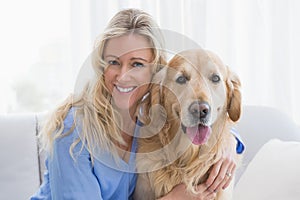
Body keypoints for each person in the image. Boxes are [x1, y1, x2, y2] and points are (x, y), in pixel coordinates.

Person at [30, 8, 244, 200]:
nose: (123, 76)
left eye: (137, 64)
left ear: (155, 72)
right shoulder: (73, 129)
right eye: (114, 62)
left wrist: (230, 144)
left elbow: (209, 118)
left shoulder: (150, 120)